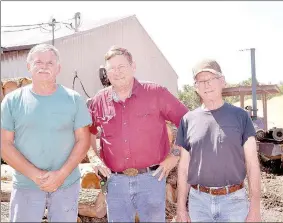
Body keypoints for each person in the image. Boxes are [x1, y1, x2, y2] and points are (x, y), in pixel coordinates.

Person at [88, 46, 188, 222]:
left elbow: (188, 122)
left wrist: (175, 154)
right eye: (111, 68)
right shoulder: (99, 100)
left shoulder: (156, 93)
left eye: (122, 67)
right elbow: (87, 133)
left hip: (151, 179)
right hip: (115, 182)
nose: (117, 72)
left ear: (133, 66)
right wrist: (94, 158)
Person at [1, 44, 92, 222]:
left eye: (50, 63)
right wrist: (35, 175)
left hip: (66, 184)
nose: (44, 66)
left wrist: (61, 175)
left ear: (59, 68)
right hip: (26, 184)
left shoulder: (73, 99)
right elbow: (4, 144)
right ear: (29, 67)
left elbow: (83, 140)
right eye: (38, 62)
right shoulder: (12, 101)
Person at [175, 59, 261, 222]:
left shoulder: (241, 117)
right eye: (201, 81)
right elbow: (184, 168)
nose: (206, 85)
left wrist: (255, 208)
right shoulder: (188, 120)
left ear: (222, 81)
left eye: (211, 79)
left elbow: (252, 164)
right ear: (196, 87)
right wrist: (181, 208)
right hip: (198, 203)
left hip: (234, 202)